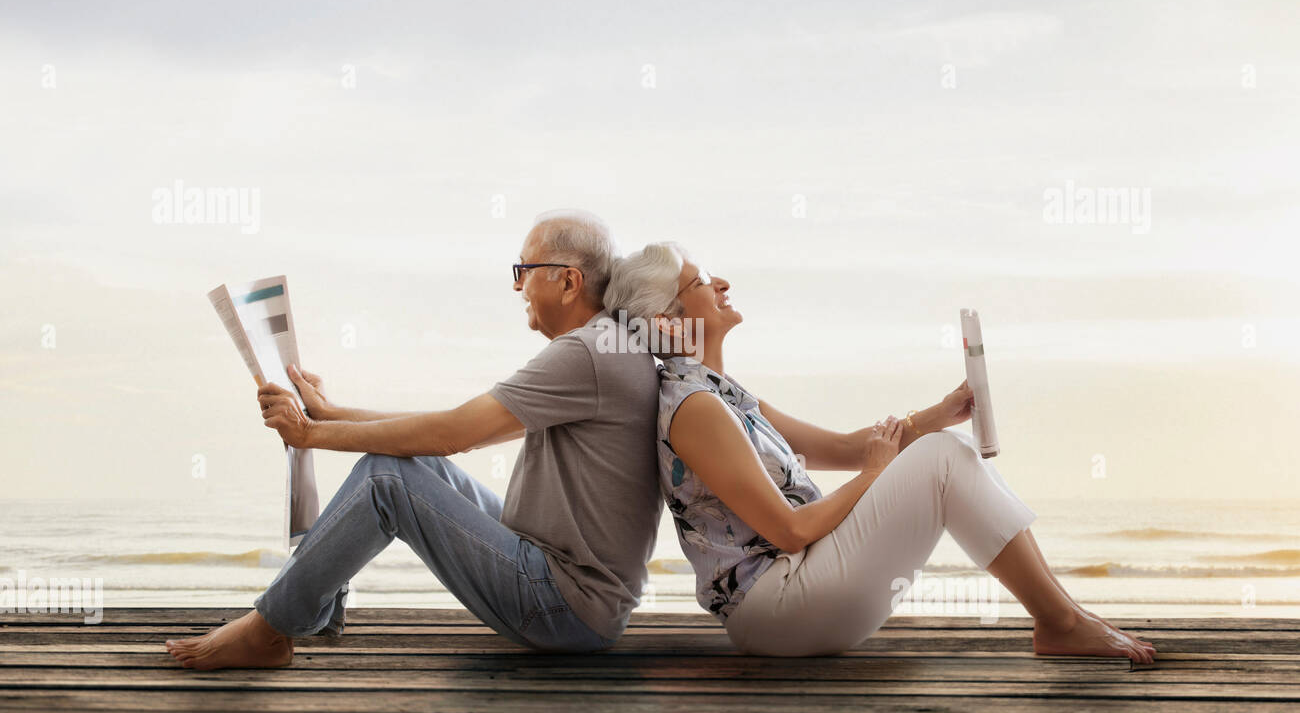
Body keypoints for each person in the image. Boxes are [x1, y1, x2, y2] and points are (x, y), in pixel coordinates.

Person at [601, 241, 1157, 660]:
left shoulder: (721, 394)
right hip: (777, 611)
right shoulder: (694, 407)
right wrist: (874, 475)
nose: (721, 281)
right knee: (944, 457)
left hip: (802, 592)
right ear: (671, 324)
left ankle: (1064, 618)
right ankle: (1058, 623)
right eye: (700, 281)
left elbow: (842, 448)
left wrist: (933, 415)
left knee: (944, 445)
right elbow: (789, 531)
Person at [165, 210, 663, 669]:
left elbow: (451, 434)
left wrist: (311, 433)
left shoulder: (589, 352)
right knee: (410, 465)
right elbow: (450, 428)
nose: (518, 287)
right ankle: (305, 611)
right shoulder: (606, 346)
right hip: (570, 594)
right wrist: (331, 414)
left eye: (524, 270)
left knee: (387, 480)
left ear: (569, 280)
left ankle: (268, 631)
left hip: (562, 608)